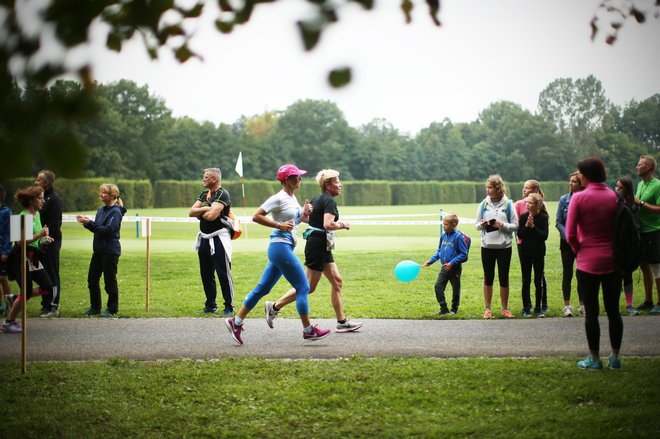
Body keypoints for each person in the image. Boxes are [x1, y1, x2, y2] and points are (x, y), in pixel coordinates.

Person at [225, 164, 331, 345]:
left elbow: (293, 222)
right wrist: (278, 226)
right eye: (297, 176)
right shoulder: (278, 198)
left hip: (284, 248)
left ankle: (236, 321)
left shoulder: (292, 197)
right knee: (304, 287)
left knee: (263, 288)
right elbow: (256, 216)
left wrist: (304, 214)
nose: (300, 179)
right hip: (280, 247)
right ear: (287, 179)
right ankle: (308, 330)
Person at [265, 169, 362, 332]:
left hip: (321, 245)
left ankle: (342, 322)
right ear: (329, 184)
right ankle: (274, 307)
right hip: (318, 245)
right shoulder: (328, 201)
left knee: (337, 282)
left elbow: (309, 219)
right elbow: (327, 224)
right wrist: (343, 225)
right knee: (308, 286)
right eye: (337, 182)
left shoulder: (319, 199)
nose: (340, 185)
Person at [566, 156, 622, 370]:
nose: (578, 175)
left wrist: (580, 251)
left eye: (580, 172)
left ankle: (595, 358)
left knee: (592, 312)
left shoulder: (579, 198)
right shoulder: (613, 196)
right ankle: (615, 357)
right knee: (614, 311)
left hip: (587, 263)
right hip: (613, 261)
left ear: (586, 174)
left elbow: (570, 234)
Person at [1, 186, 54, 333]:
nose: (43, 201)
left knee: (47, 286)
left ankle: (15, 298)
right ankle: (8, 322)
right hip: (20, 259)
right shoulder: (21, 217)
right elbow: (19, 242)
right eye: (40, 198)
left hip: (33, 257)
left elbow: (35, 240)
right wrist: (40, 235)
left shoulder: (37, 214)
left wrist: (44, 239)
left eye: (43, 197)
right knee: (28, 291)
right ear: (31, 200)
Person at [189, 168, 234, 316]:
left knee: (223, 274)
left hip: (219, 238)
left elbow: (211, 216)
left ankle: (229, 306)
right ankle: (210, 305)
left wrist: (202, 209)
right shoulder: (204, 194)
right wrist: (207, 207)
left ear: (214, 179)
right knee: (206, 274)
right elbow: (190, 212)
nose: (203, 179)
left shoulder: (222, 194)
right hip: (204, 238)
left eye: (206, 177)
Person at [76, 184, 126, 317]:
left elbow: (108, 231)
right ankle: (95, 307)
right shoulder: (101, 210)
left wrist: (90, 223)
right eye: (101, 192)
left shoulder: (116, 212)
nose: (100, 195)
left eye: (104, 193)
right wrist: (87, 223)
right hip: (98, 251)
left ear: (112, 196)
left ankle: (112, 309)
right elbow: (97, 229)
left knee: (109, 281)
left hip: (110, 252)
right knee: (92, 280)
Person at [475, 174, 519, 319]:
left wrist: (503, 225)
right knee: (488, 277)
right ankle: (487, 309)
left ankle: (504, 309)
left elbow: (516, 225)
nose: (487, 190)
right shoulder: (483, 204)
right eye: (487, 187)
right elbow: (476, 225)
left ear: (498, 188)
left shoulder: (508, 204)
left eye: (490, 187)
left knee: (503, 278)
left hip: (504, 248)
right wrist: (482, 225)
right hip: (487, 246)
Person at [423, 212, 468, 315]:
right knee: (438, 286)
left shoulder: (458, 237)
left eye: (446, 224)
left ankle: (454, 309)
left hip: (454, 268)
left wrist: (452, 263)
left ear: (454, 224)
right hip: (444, 268)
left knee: (455, 289)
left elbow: (463, 254)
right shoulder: (443, 236)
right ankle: (444, 309)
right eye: (443, 224)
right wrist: (431, 260)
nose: (444, 226)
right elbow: (439, 251)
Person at [514, 179, 548, 316]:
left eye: (530, 203)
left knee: (538, 279)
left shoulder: (543, 217)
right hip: (525, 252)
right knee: (526, 279)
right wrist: (527, 227)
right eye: (526, 203)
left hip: (538, 252)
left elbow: (544, 236)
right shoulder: (523, 217)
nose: (527, 205)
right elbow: (520, 234)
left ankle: (539, 307)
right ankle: (526, 307)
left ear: (538, 205)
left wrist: (532, 227)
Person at [633, 155, 660, 315]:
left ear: (648, 167)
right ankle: (648, 301)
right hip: (641, 232)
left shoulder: (657, 185)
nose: (637, 167)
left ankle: (659, 302)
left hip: (654, 231)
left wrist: (641, 203)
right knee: (644, 267)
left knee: (656, 268)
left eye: (640, 164)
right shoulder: (641, 184)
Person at [556, 171, 585, 317]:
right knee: (567, 274)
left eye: (574, 181)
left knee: (582, 274)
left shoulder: (586, 199)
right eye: (570, 181)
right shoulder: (564, 200)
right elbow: (558, 221)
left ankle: (582, 305)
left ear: (581, 183)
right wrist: (568, 235)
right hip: (567, 243)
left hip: (582, 243)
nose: (570, 183)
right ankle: (567, 306)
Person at [35, 170, 63, 317]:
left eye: (38, 180)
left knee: (52, 273)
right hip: (40, 240)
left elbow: (54, 224)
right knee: (43, 274)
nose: (36, 182)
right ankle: (45, 304)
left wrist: (46, 240)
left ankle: (53, 306)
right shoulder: (40, 197)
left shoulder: (54, 199)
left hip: (51, 241)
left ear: (46, 183)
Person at [615, 176, 641, 316]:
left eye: (621, 187)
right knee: (615, 277)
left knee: (628, 275)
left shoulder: (633, 205)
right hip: (617, 244)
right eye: (616, 186)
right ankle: (615, 305)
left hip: (628, 245)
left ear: (627, 189)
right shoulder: (613, 203)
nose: (617, 189)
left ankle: (629, 304)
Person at [0, 185, 12, 314]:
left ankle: (9, 305)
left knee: (3, 279)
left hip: (2, 250)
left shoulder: (6, 212)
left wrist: (6, 251)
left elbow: (9, 233)